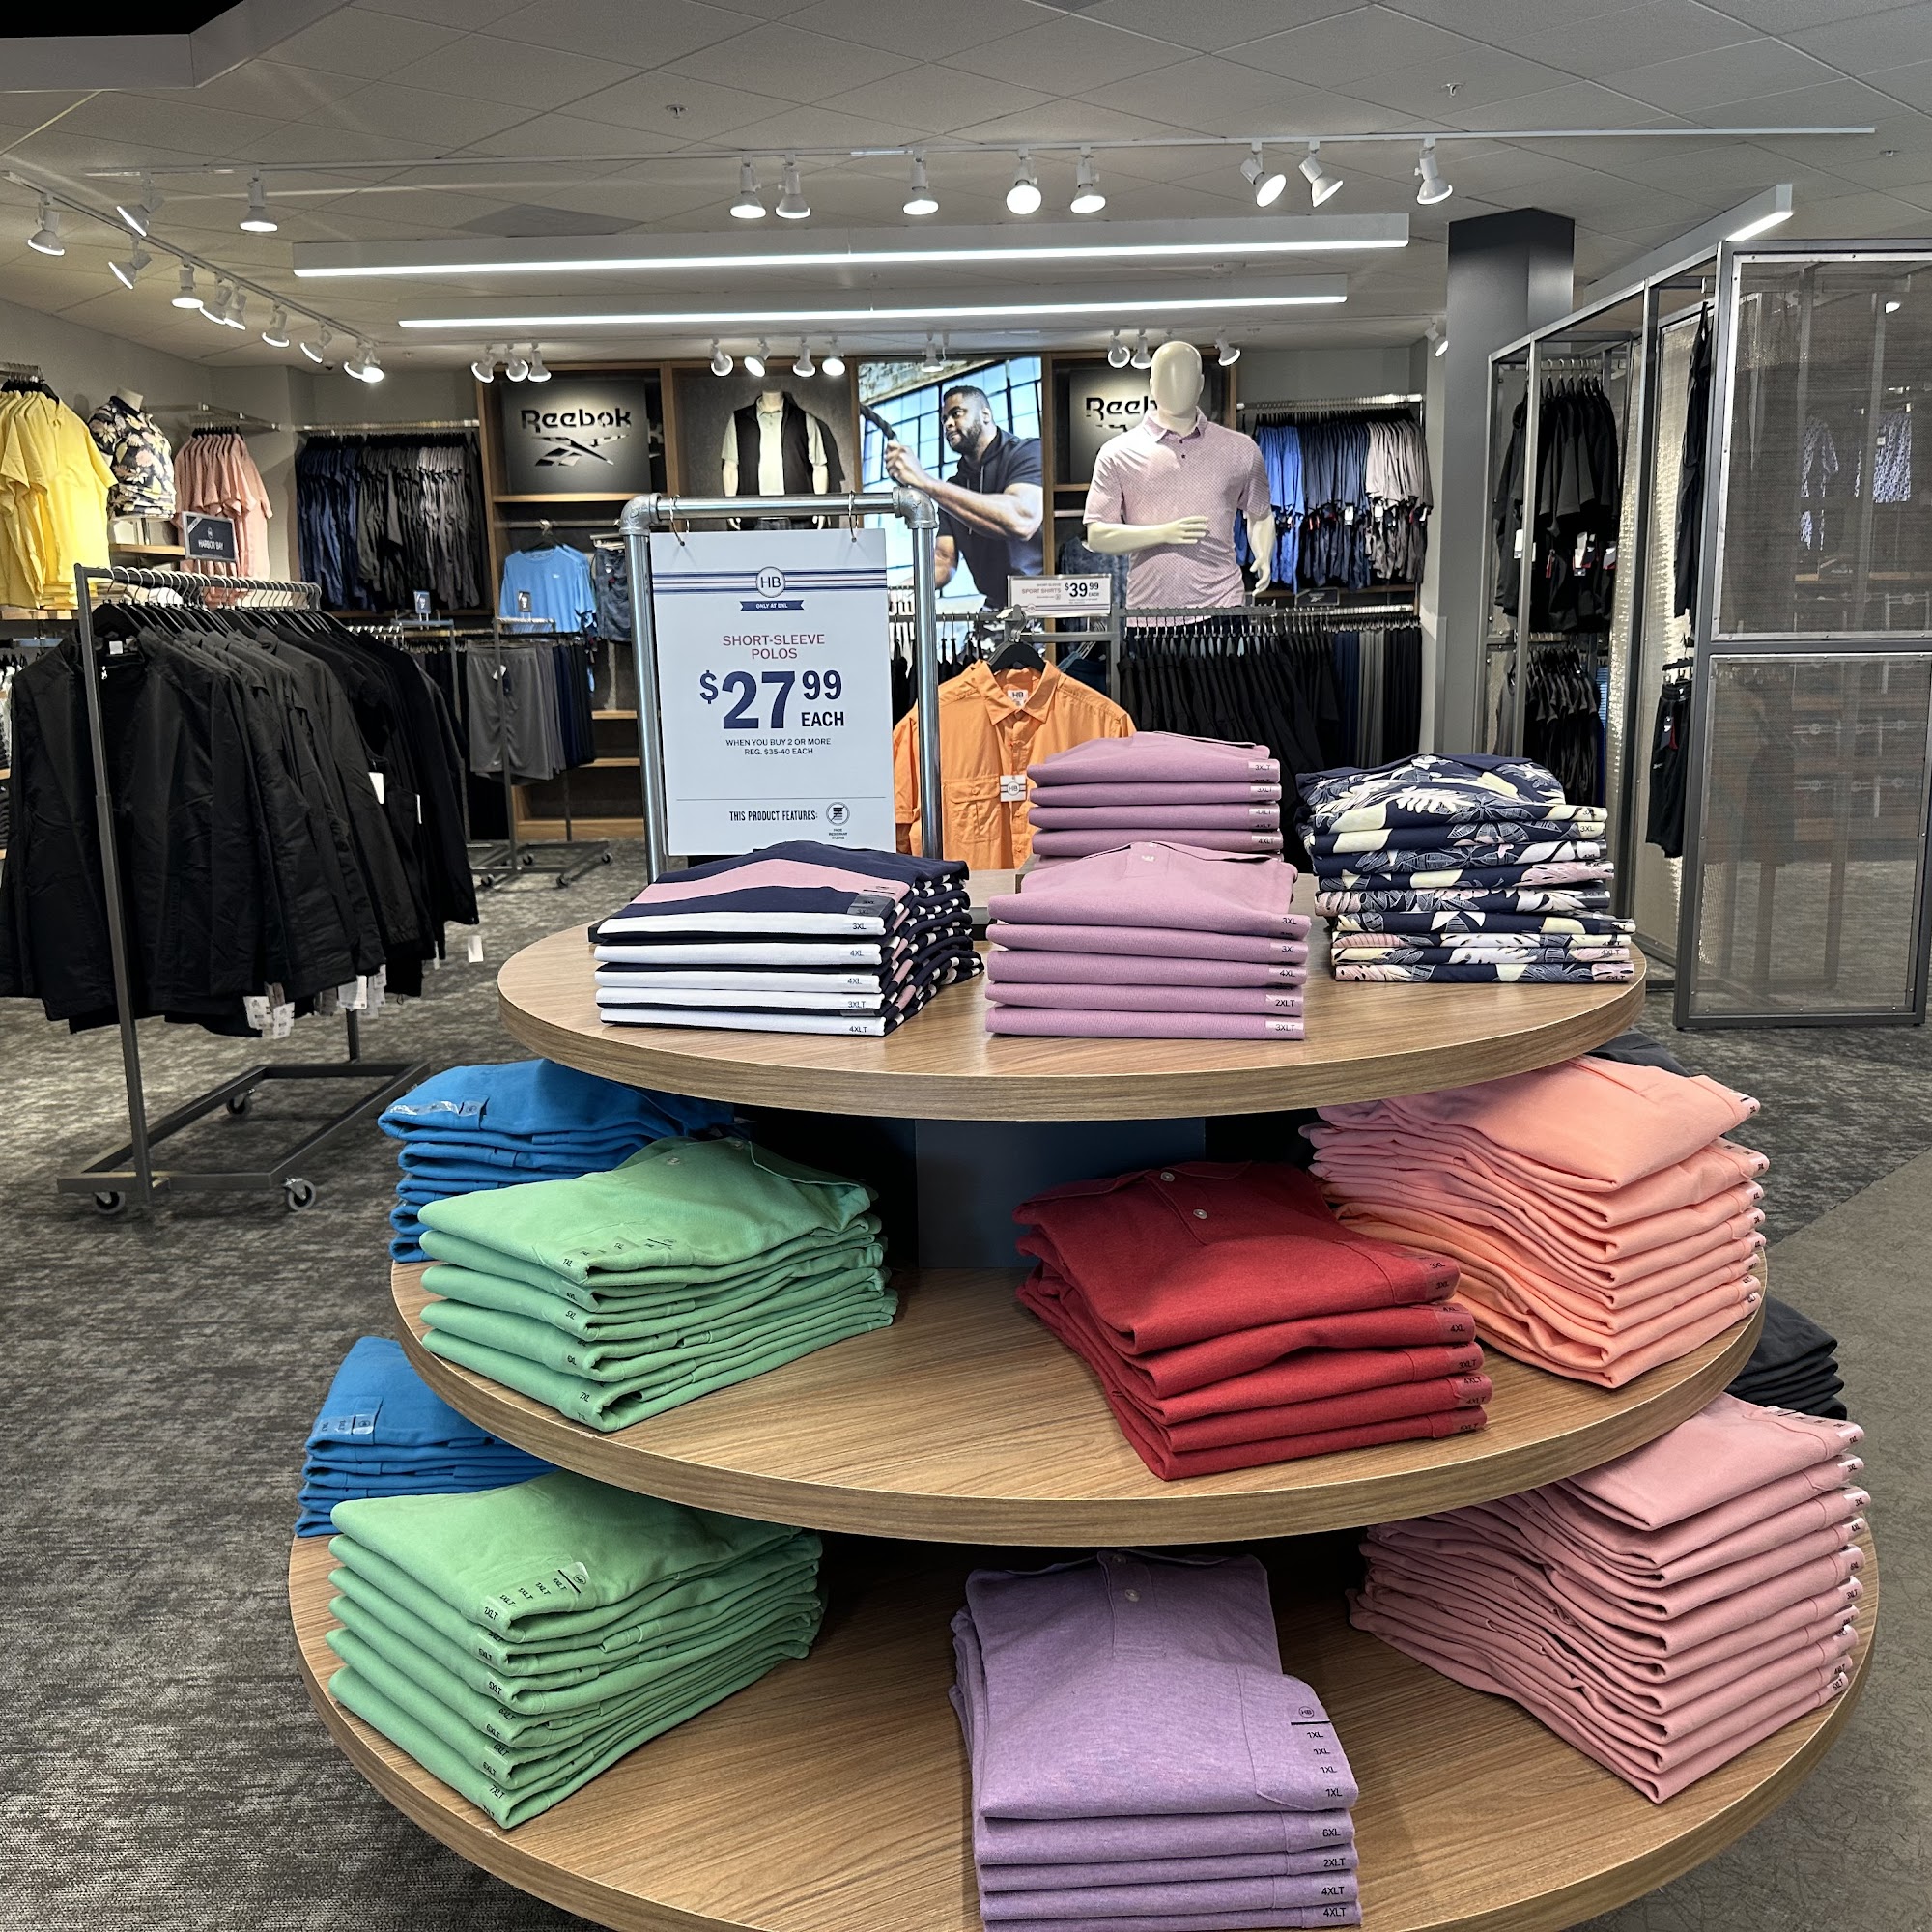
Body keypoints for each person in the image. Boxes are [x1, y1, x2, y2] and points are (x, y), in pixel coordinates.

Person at [882, 384, 1043, 602]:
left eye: (957, 413)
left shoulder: (1028, 452)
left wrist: (924, 482)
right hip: (996, 605)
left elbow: (1021, 520)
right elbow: (943, 561)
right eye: (944, 419)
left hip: (1042, 599)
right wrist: (902, 590)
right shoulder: (954, 487)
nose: (948, 423)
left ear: (986, 415)